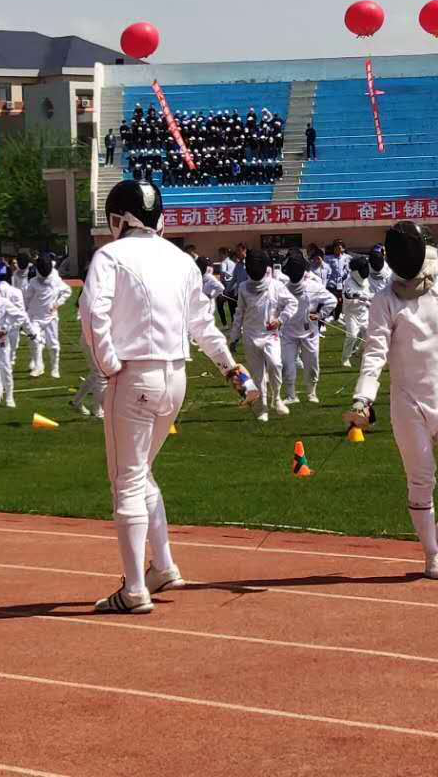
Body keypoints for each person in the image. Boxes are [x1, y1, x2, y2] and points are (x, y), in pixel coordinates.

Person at [84, 179, 256, 613]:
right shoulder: (182, 260)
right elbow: (203, 326)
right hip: (175, 378)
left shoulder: (111, 255)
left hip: (134, 376)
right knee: (141, 473)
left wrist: (108, 366)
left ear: (119, 218)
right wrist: (231, 368)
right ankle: (162, 566)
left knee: (125, 481)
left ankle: (135, 590)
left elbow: (92, 313)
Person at [347, 221, 438, 581]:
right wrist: (363, 399)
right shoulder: (385, 300)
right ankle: (431, 554)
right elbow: (375, 353)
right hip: (408, 405)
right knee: (421, 479)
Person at [233, 249, 294, 418]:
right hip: (251, 335)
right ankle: (262, 407)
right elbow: (239, 313)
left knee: (275, 365)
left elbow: (292, 303)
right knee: (257, 374)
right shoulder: (244, 287)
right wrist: (234, 337)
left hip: (270, 335)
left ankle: (277, 398)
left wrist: (281, 319)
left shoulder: (275, 285)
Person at [280, 254, 337, 404]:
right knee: (287, 363)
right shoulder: (282, 288)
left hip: (309, 332)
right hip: (288, 333)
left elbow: (332, 300)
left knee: (312, 363)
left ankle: (312, 393)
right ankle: (291, 396)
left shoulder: (313, 287)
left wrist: (319, 314)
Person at [23, 256, 70, 379]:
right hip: (34, 317)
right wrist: (25, 314)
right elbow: (26, 299)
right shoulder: (33, 282)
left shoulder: (56, 280)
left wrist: (57, 303)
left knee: (53, 345)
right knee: (35, 341)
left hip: (51, 317)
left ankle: (55, 368)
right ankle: (39, 366)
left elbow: (67, 291)